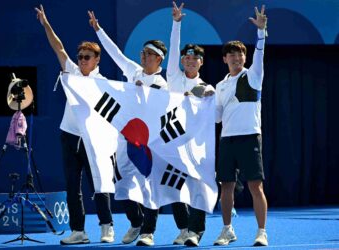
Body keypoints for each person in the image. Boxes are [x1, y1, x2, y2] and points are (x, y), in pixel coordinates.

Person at [35, 5, 114, 245]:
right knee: (72, 186)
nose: (81, 60)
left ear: (96, 60)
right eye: (79, 56)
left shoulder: (103, 82)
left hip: (93, 139)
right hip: (69, 136)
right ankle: (78, 231)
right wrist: (46, 23)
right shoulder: (71, 71)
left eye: (86, 57)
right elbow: (57, 46)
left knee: (99, 184)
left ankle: (106, 227)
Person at [88, 11, 168, 246]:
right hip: (125, 138)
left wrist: (144, 93)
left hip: (148, 143)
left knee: (149, 186)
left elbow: (156, 111)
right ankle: (136, 222)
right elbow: (115, 54)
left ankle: (148, 232)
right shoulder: (133, 71)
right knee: (121, 185)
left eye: (149, 54)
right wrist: (98, 30)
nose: (144, 56)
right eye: (143, 53)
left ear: (159, 59)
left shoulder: (162, 84)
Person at [214, 5, 268, 247]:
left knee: (255, 186)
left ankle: (261, 232)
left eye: (240, 54)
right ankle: (227, 230)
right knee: (226, 187)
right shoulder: (220, 85)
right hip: (227, 140)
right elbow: (215, 117)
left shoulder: (253, 75)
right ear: (225, 59)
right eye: (232, 55)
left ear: (245, 58)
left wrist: (261, 32)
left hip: (250, 137)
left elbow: (260, 52)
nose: (236, 58)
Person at [165, 2, 215, 247]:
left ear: (201, 63)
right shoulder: (173, 77)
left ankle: (196, 231)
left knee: (197, 189)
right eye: (187, 57)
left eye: (195, 58)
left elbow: (210, 98)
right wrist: (176, 24)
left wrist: (205, 92)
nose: (190, 61)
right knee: (174, 189)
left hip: (195, 147)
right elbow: (173, 50)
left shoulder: (207, 87)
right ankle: (184, 228)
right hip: (172, 142)